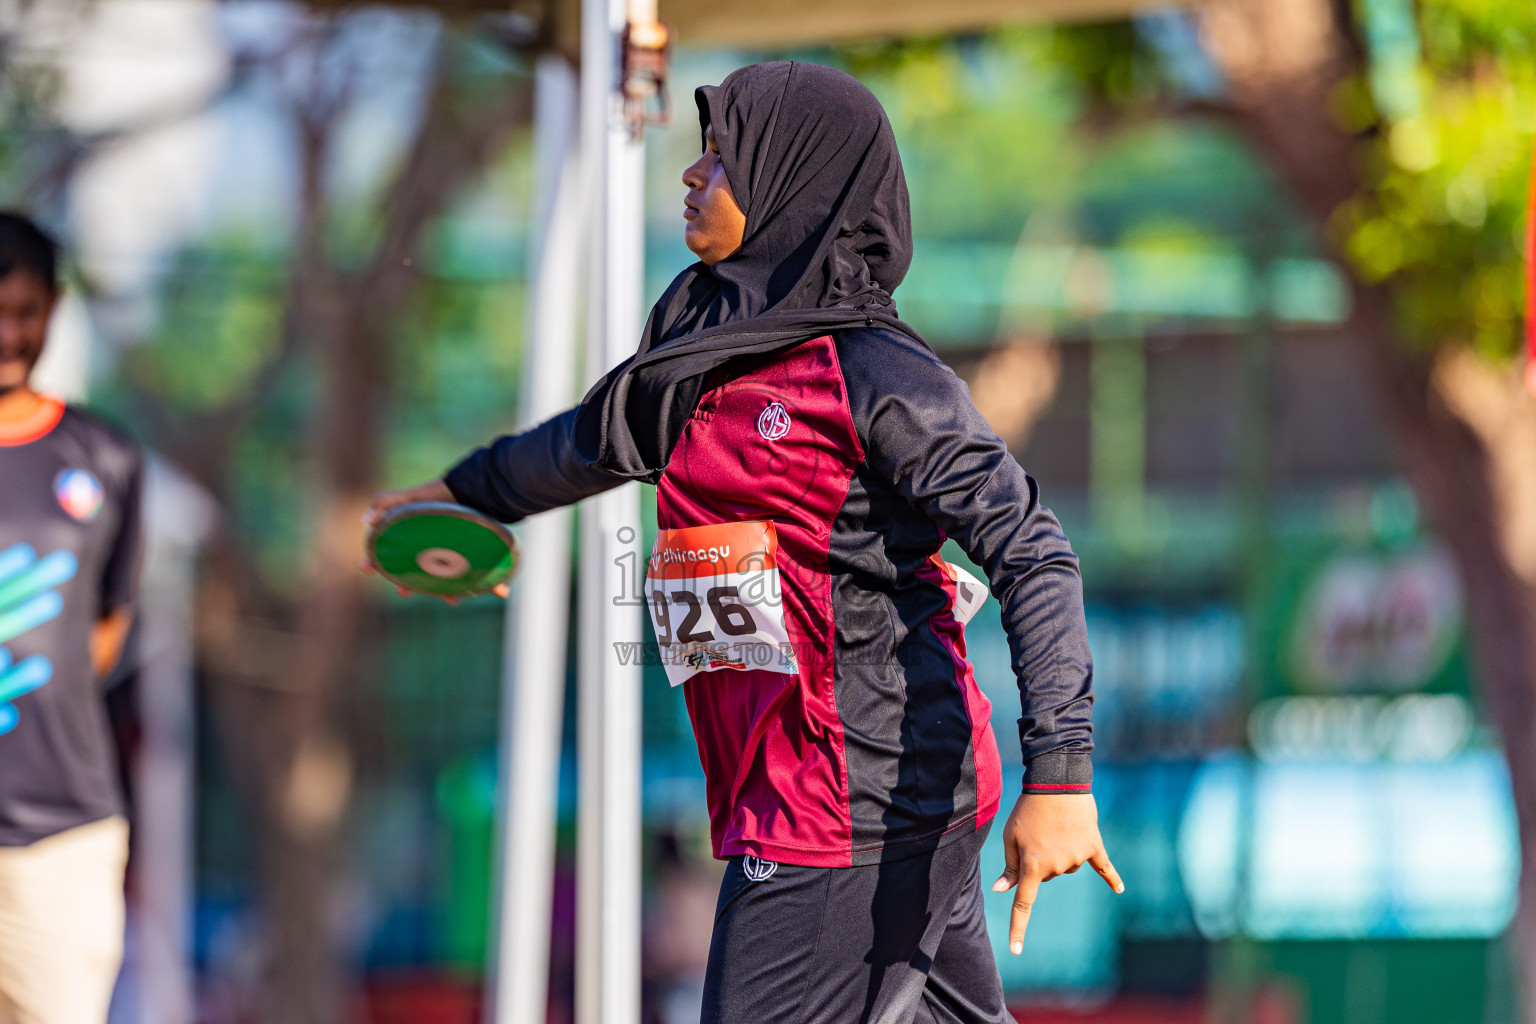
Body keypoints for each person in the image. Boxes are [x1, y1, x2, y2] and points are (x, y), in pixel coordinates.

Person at [366, 62, 1120, 1023]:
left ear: (794, 185)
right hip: (819, 796)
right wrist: (452, 503)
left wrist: (1062, 776)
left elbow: (1034, 550)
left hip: (854, 803)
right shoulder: (694, 354)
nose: (693, 174)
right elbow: (576, 449)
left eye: (723, 157)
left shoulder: (877, 375)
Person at [0, 213, 141, 1024]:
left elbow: (104, 632)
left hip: (60, 836)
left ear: (54, 307)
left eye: (27, 311)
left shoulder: (105, 458)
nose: (10, 333)